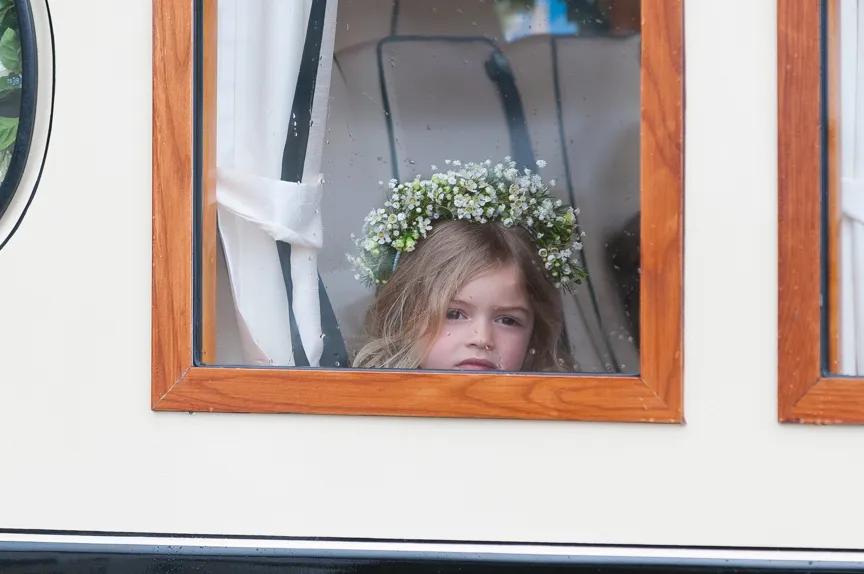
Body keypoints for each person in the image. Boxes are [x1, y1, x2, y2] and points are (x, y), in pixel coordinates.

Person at [348, 158, 586, 372]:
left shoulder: (548, 420)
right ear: (403, 317)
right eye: (454, 314)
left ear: (534, 337)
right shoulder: (369, 417)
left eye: (508, 320)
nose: (481, 338)